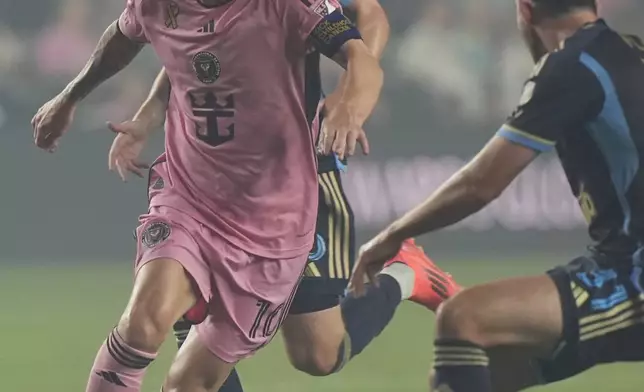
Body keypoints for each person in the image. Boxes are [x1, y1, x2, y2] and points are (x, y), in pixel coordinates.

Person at [31, 0, 384, 390]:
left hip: (274, 218)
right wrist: (72, 97)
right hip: (190, 194)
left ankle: (400, 275)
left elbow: (363, 48)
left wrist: (351, 102)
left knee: (298, 357)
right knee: (143, 324)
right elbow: (129, 35)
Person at [112, 2, 460, 391]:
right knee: (192, 320)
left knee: (317, 353)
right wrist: (149, 112)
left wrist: (349, 94)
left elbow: (368, 13)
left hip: (297, 174)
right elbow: (197, 44)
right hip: (213, 175)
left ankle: (403, 274)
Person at [350, 0, 644, 391]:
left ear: (524, 10)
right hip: (619, 261)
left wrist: (390, 236)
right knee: (483, 370)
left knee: (465, 316)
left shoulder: (572, 64)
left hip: (631, 272)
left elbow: (480, 183)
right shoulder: (630, 51)